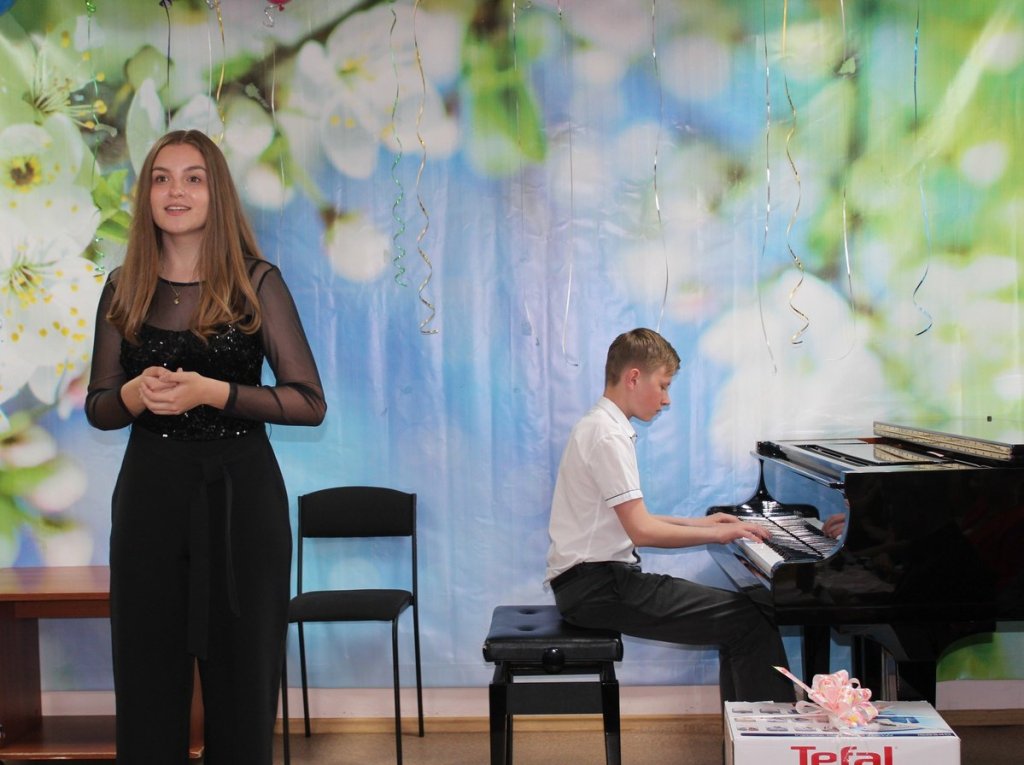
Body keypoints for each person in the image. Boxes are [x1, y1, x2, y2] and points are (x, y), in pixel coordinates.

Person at [85, 129, 327, 764]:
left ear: (216, 193)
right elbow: (100, 407)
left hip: (242, 499)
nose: (176, 191)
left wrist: (213, 392)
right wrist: (136, 393)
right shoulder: (122, 286)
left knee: (243, 689)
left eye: (193, 178)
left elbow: (308, 401)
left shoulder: (256, 282)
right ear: (146, 195)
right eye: (162, 178)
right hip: (149, 498)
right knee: (147, 683)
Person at [545, 328, 796, 703]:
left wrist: (704, 523)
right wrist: (718, 535)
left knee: (744, 621)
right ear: (633, 377)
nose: (666, 399)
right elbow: (642, 531)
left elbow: (634, 519)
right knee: (751, 622)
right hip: (598, 588)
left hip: (593, 583)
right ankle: (764, 736)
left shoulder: (601, 426)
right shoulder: (607, 435)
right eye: (662, 385)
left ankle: (744, 731)